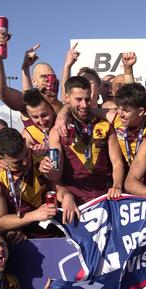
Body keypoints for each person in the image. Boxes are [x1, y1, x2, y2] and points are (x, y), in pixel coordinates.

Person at [45, 76, 125, 219]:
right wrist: (64, 195)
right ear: (67, 98)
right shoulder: (57, 131)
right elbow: (55, 177)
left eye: (87, 99)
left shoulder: (105, 125)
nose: (84, 104)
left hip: (106, 199)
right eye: (78, 99)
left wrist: (117, 186)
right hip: (74, 203)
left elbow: (117, 163)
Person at [0, 128, 59, 238]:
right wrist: (34, 215)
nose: (25, 162)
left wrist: (67, 196)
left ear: (24, 140)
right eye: (17, 162)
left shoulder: (40, 156)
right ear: (0, 156)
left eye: (26, 154)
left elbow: (60, 186)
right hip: (24, 240)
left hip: (59, 230)